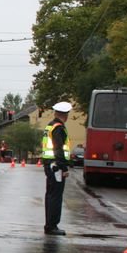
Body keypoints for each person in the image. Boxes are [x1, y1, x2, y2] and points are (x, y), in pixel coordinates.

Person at [42, 101, 72, 236]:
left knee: (50, 195)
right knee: (55, 196)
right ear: (66, 115)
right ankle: (52, 226)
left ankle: (49, 224)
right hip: (56, 166)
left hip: (50, 164)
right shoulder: (58, 128)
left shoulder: (50, 126)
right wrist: (64, 167)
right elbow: (58, 149)